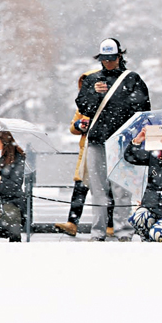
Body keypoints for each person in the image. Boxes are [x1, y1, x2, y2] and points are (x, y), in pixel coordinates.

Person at [75, 38, 151, 241]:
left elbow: (141, 107)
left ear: (119, 56)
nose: (107, 63)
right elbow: (84, 107)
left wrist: (117, 98)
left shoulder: (131, 78)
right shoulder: (92, 80)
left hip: (121, 142)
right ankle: (97, 232)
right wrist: (94, 94)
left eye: (111, 58)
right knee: (97, 189)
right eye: (104, 59)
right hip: (97, 140)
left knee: (122, 189)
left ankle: (124, 231)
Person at [55, 69, 114, 237]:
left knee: (106, 187)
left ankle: (110, 225)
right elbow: (73, 126)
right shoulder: (83, 104)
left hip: (103, 149)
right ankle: (72, 223)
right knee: (80, 186)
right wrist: (79, 126)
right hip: (86, 150)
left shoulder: (108, 103)